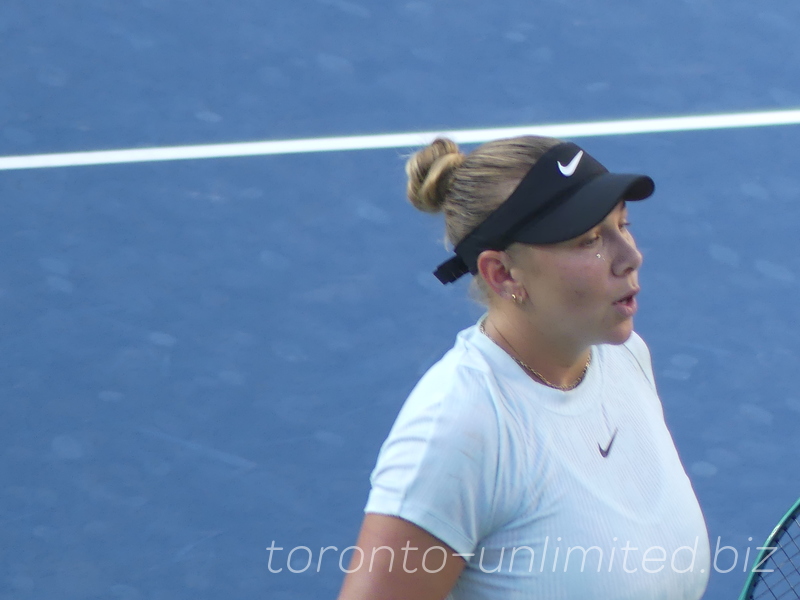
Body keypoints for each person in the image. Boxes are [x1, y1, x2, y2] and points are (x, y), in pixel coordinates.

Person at [336, 136, 710, 600]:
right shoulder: (458, 429)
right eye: (590, 239)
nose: (630, 256)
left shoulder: (623, 355)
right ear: (503, 274)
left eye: (623, 224)